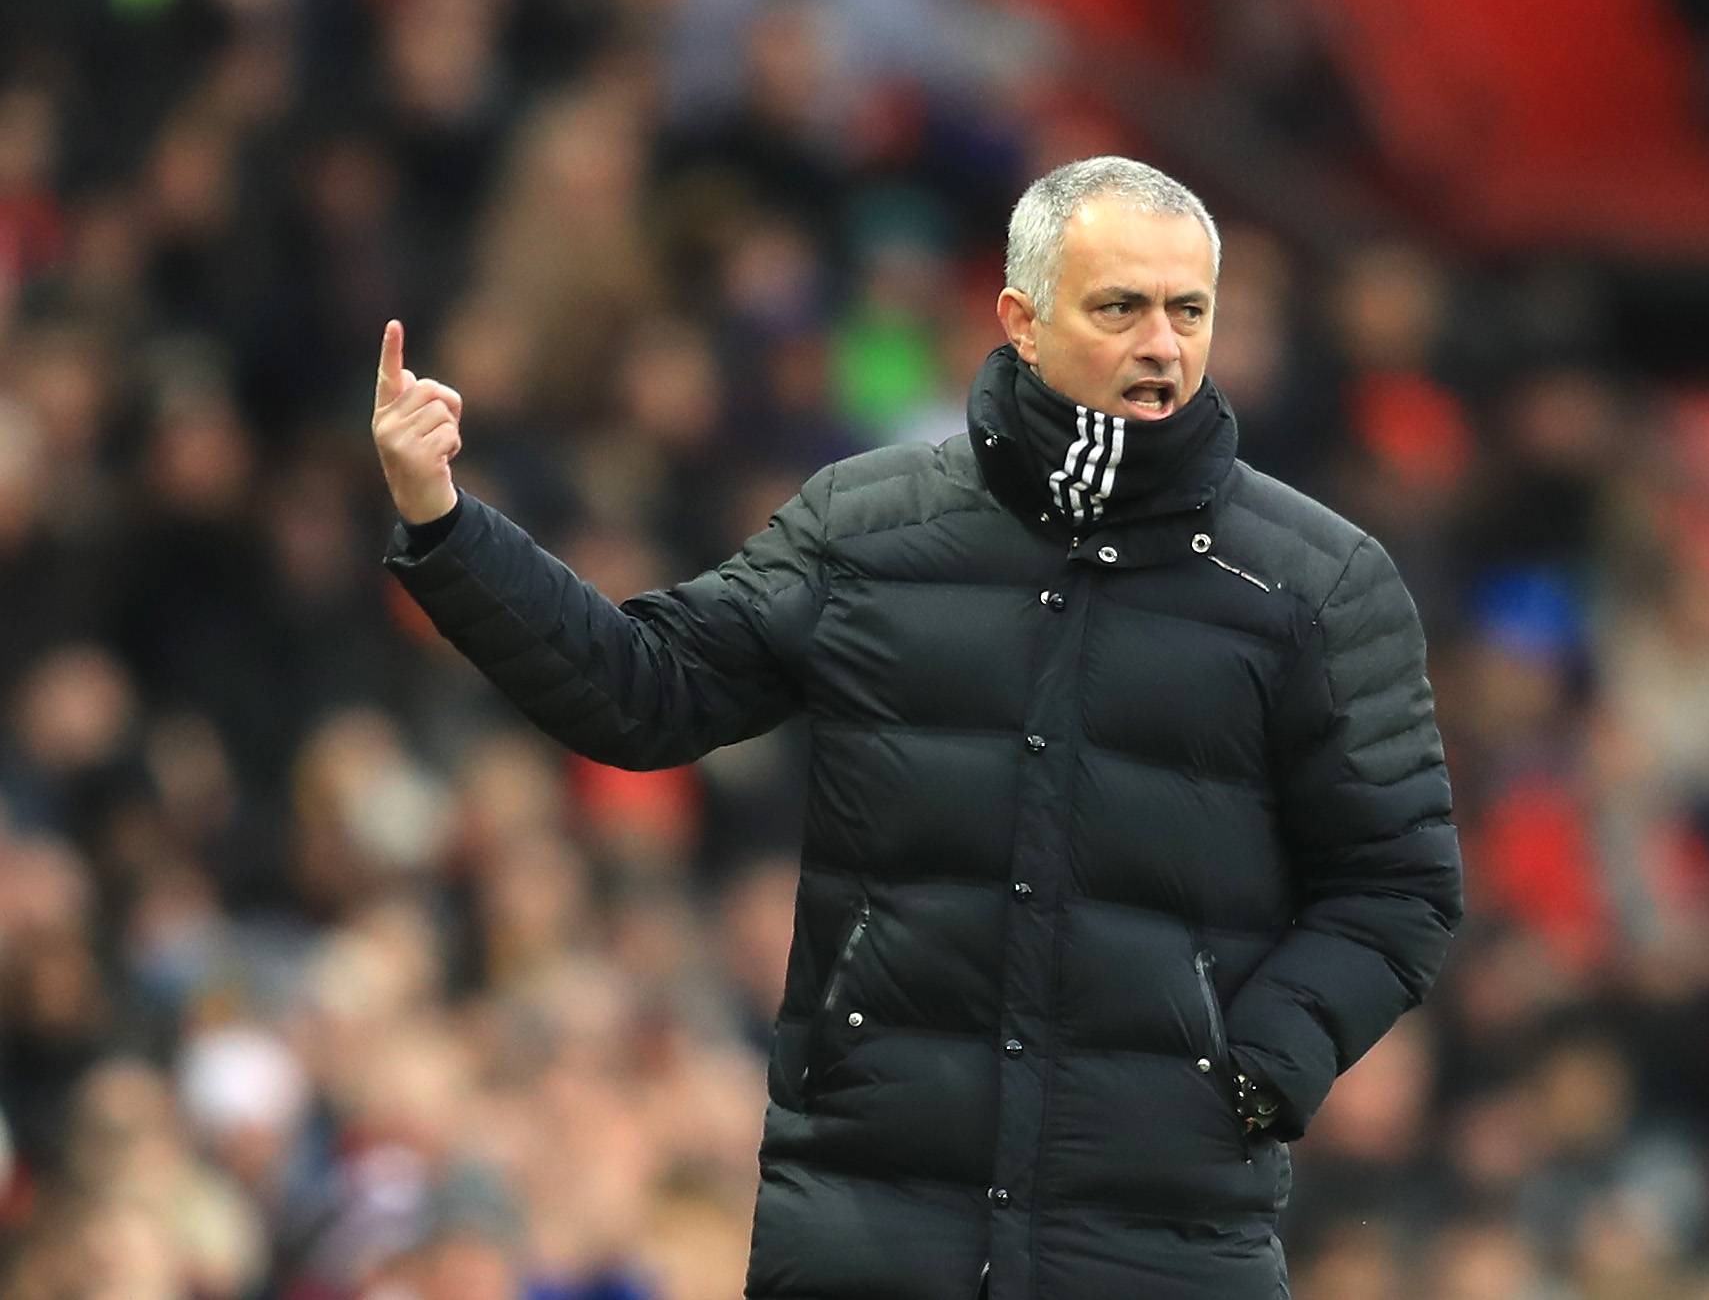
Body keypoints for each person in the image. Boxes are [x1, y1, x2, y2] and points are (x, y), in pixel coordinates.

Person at [372, 156, 1463, 1300]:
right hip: (869, 1216)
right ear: (1020, 321)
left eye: (1188, 310)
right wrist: (444, 523)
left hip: (1164, 1235)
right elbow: (645, 689)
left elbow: (1400, 880)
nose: (1162, 345)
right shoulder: (865, 527)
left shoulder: (1316, 581)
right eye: (1120, 307)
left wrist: (1247, 1073)